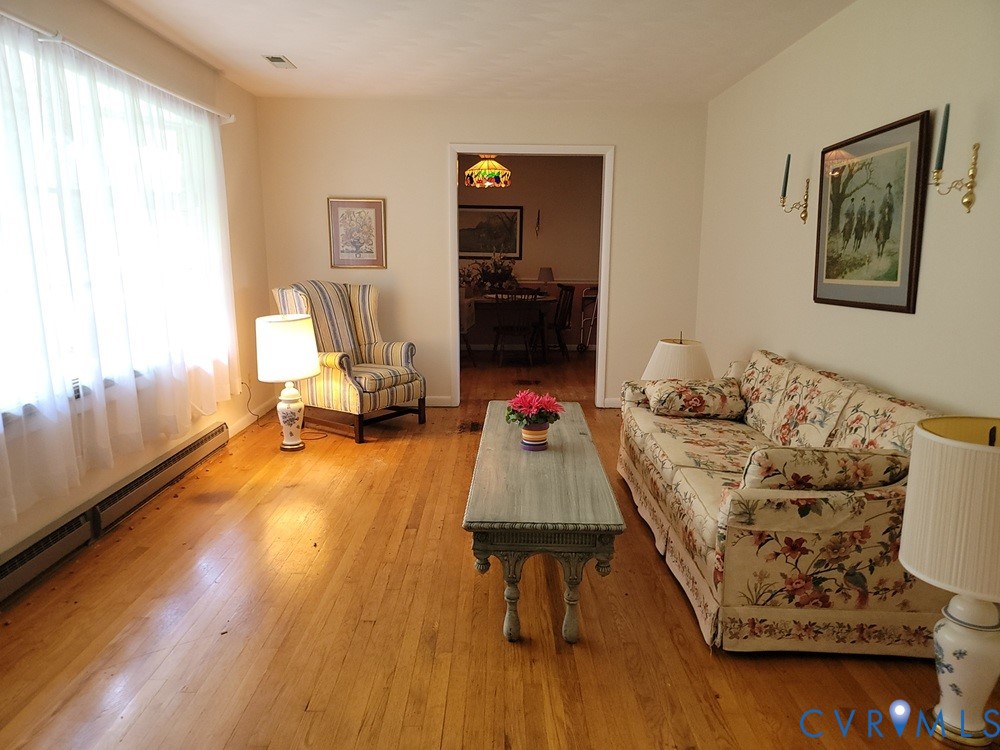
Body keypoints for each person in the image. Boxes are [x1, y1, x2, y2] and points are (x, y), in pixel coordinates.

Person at [875, 183, 894, 258]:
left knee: (890, 222)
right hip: (883, 212)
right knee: (879, 221)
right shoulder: (885, 196)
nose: (888, 189)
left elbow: (892, 205)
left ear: (890, 189)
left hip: (888, 213)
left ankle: (887, 235)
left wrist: (889, 205)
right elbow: (882, 204)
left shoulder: (891, 196)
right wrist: (881, 209)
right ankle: (877, 234)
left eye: (889, 188)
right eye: (887, 188)